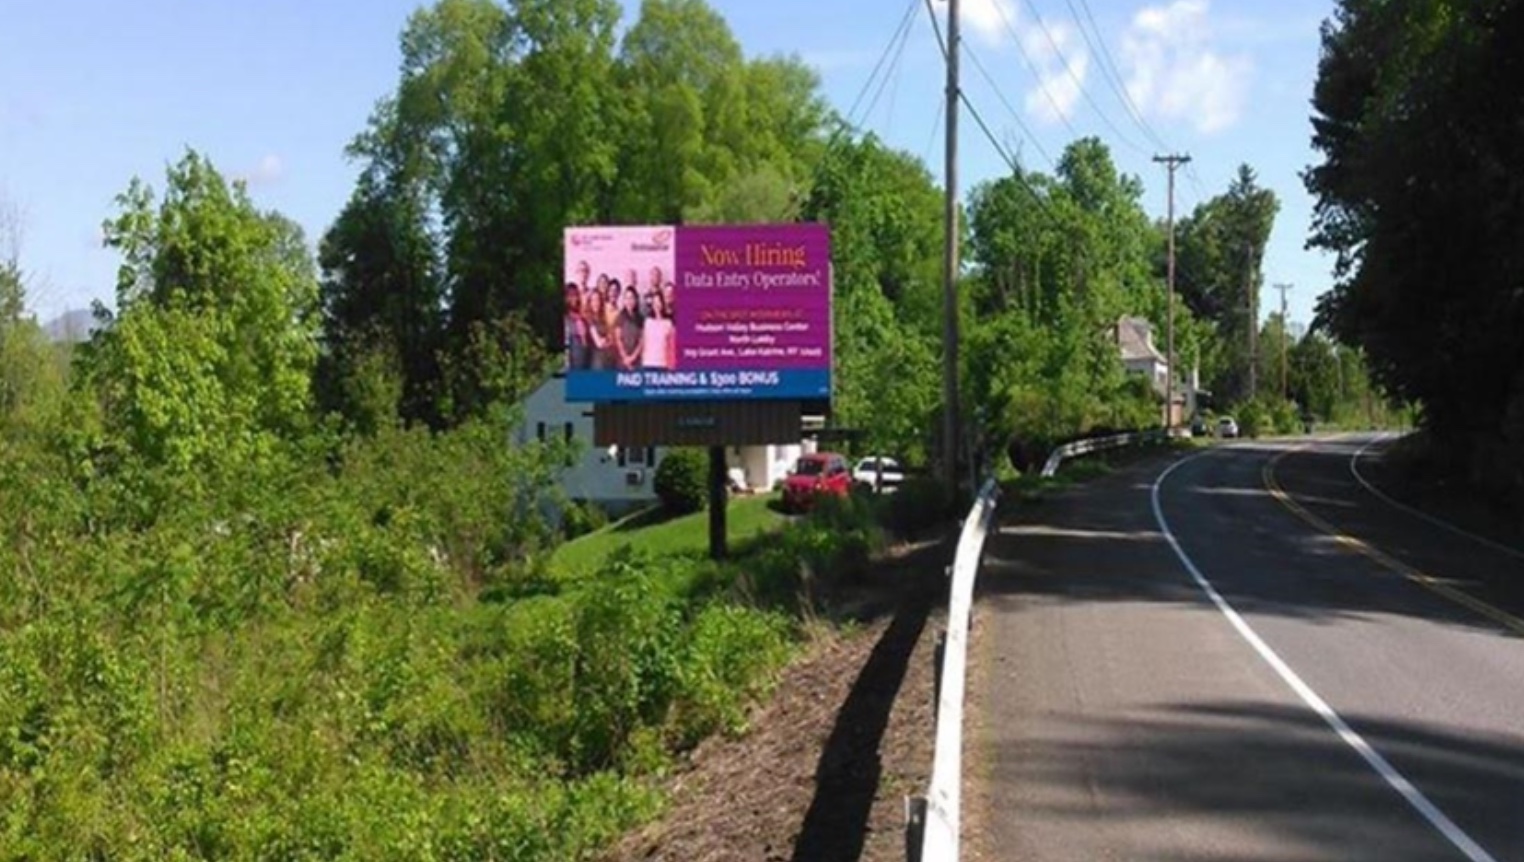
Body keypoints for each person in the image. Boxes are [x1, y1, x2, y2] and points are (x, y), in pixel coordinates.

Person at [641, 290, 675, 369]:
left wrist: (671, 365)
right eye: (655, 302)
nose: (657, 305)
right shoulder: (647, 322)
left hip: (663, 364)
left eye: (659, 302)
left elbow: (671, 346)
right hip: (648, 363)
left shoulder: (668, 323)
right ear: (652, 305)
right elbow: (643, 342)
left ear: (662, 304)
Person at [614, 284, 644, 370]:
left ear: (636, 300)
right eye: (627, 298)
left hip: (636, 359)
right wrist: (626, 358)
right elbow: (618, 339)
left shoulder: (640, 318)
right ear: (624, 300)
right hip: (622, 359)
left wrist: (633, 357)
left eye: (632, 298)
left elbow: (641, 341)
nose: (629, 301)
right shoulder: (620, 317)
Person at [583, 289, 613, 370]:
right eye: (593, 300)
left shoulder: (603, 319)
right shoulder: (589, 319)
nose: (596, 303)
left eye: (597, 300)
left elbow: (612, 339)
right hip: (596, 361)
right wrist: (607, 340)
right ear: (590, 302)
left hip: (607, 359)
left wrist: (606, 340)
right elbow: (599, 343)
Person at [563, 283, 590, 370]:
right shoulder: (566, 318)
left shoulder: (582, 318)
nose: (574, 298)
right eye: (570, 295)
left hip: (583, 362)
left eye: (576, 295)